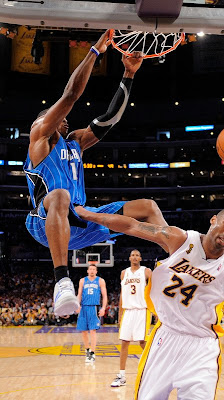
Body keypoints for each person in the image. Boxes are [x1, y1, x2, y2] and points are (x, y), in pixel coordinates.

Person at [75, 206, 224, 400]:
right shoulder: (179, 239)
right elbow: (132, 225)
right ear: (213, 220)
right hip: (166, 337)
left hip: (202, 346)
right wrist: (87, 214)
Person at [23, 29, 167, 317]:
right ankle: (62, 280)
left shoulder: (75, 141)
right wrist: (95, 51)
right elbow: (71, 95)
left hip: (80, 219)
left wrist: (129, 74)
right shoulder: (39, 137)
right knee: (61, 195)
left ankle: (174, 258)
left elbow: (109, 120)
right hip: (44, 221)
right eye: (53, 114)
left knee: (147, 207)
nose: (61, 117)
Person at [111, 249, 152, 387]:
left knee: (142, 342)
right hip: (128, 311)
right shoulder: (124, 273)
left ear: (140, 258)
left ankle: (155, 365)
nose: (135, 257)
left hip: (142, 310)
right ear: (129, 258)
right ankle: (121, 375)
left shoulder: (146, 271)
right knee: (124, 343)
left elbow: (155, 289)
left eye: (137, 255)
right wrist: (119, 315)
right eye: (132, 255)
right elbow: (122, 295)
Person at [76, 263, 107, 362]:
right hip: (84, 307)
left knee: (93, 331)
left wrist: (103, 308)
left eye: (94, 269)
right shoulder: (82, 280)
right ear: (88, 271)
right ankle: (87, 350)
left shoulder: (100, 281)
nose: (92, 271)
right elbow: (79, 294)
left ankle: (92, 353)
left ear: (96, 271)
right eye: (91, 269)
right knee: (84, 331)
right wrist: (77, 305)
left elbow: (105, 296)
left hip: (94, 307)